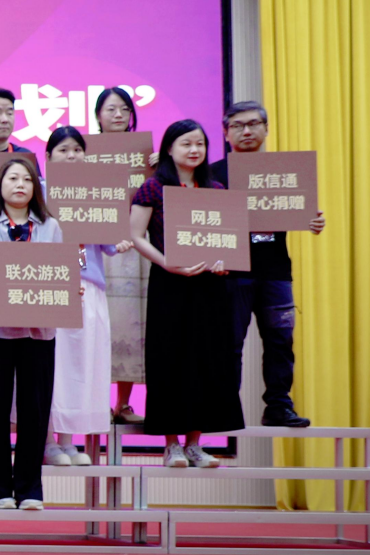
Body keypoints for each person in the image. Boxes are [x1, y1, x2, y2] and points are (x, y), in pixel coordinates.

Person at [127, 120, 240, 469]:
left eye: (200, 144)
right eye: (186, 143)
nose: (194, 150)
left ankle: (195, 444)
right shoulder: (153, 187)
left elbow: (226, 240)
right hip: (170, 285)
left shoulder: (216, 189)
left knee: (206, 361)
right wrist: (167, 263)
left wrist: (223, 263)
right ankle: (172, 445)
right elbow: (136, 236)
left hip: (210, 289)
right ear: (169, 148)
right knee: (170, 360)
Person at [209, 101, 324, 428]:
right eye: (238, 125)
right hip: (230, 273)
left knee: (280, 341)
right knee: (229, 345)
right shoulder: (212, 174)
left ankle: (278, 406)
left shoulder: (285, 172)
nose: (246, 131)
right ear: (226, 133)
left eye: (254, 124)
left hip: (275, 272)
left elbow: (300, 210)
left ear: (266, 128)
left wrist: (312, 220)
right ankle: (226, 409)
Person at [0, 157, 63, 510]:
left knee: (35, 410)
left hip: (39, 332)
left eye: (27, 179)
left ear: (36, 188)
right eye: (12, 178)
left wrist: (71, 285)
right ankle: (0, 490)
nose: (20, 184)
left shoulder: (51, 226)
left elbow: (68, 266)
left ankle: (30, 489)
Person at [43, 127, 131, 465]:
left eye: (77, 150)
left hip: (89, 286)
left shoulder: (96, 190)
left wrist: (120, 239)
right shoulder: (39, 191)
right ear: (48, 156)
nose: (71, 156)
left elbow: (107, 244)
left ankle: (69, 441)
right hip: (49, 285)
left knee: (81, 363)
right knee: (51, 364)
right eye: (63, 150)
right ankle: (48, 441)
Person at [94, 86, 150, 425]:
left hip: (134, 247)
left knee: (130, 322)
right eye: (111, 109)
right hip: (94, 248)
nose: (118, 115)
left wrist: (160, 166)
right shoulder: (83, 153)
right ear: (97, 115)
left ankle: (123, 404)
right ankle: (96, 402)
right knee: (97, 325)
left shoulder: (145, 156)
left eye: (124, 109)